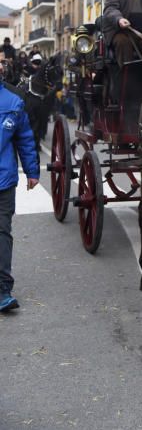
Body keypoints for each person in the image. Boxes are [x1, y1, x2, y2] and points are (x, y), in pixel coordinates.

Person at [0, 52, 39, 311]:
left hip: (4, 181)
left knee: (2, 233)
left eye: (2, 62)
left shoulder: (14, 100)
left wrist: (32, 171)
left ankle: (3, 290)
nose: (1, 65)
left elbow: (25, 138)